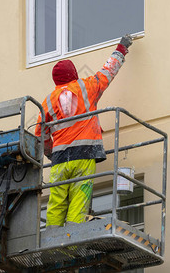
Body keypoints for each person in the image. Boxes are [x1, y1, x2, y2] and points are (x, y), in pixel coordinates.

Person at [35, 35, 133, 229]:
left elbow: (41, 136)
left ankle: (54, 240)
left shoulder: (46, 102)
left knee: (56, 203)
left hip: (60, 161)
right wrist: (121, 49)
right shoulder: (87, 87)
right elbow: (108, 70)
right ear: (74, 73)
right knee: (79, 198)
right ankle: (72, 239)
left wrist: (50, 153)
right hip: (84, 155)